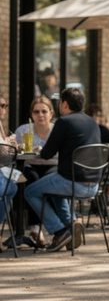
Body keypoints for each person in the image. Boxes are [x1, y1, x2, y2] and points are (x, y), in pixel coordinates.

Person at [25, 87, 101, 252]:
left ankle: (59, 231)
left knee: (30, 191)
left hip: (72, 182)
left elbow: (47, 154)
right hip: (94, 185)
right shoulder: (92, 122)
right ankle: (70, 225)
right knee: (54, 186)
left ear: (64, 104)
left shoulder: (63, 122)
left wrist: (38, 149)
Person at [15, 96, 55, 247]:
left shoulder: (57, 130)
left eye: (44, 111)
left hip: (52, 165)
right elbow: (18, 153)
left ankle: (56, 228)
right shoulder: (23, 130)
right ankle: (36, 228)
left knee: (51, 179)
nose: (40, 115)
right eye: (36, 111)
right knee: (31, 179)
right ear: (31, 114)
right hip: (30, 165)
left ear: (51, 114)